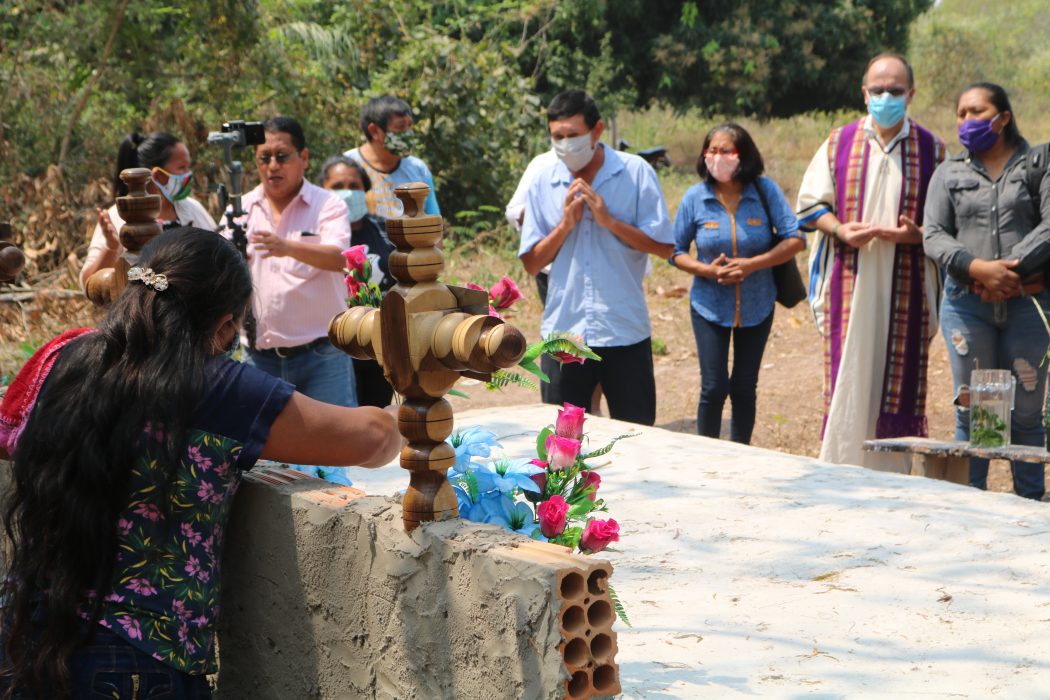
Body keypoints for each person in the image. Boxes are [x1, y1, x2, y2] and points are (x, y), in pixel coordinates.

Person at [0, 228, 401, 698]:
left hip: (24, 634)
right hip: (134, 664)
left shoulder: (65, 359)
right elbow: (375, 441)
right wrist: (408, 380)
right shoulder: (216, 388)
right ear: (225, 327)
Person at [795, 53, 946, 470]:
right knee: (850, 373)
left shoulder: (933, 149)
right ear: (864, 93)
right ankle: (840, 468)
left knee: (896, 377)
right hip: (851, 278)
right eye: (877, 90)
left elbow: (945, 222)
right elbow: (809, 206)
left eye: (895, 91)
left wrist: (916, 235)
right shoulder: (839, 142)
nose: (885, 97)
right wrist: (840, 230)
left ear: (910, 94)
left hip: (907, 281)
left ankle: (891, 474)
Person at [923, 82, 1050, 500]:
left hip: (1028, 302)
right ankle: (969, 505)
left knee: (1028, 413)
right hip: (966, 306)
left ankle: (1031, 511)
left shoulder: (1039, 165)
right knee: (975, 412)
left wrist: (1006, 273)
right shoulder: (948, 172)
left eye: (976, 111)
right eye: (960, 113)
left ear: (1004, 118)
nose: (965, 121)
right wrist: (978, 270)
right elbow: (934, 235)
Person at [518, 90, 673, 426]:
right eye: (557, 136)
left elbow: (663, 247)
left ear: (598, 130)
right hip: (565, 334)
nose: (565, 144)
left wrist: (609, 222)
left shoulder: (635, 172)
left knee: (636, 434)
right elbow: (531, 263)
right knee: (562, 446)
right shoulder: (544, 179)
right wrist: (565, 225)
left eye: (573, 135)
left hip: (623, 330)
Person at [671, 123, 804, 444]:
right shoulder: (695, 197)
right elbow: (674, 252)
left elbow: (795, 239)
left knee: (744, 386)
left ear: (743, 155)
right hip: (708, 304)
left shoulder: (764, 191)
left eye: (726, 151)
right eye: (712, 151)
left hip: (758, 304)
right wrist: (707, 271)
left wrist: (751, 265)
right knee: (713, 386)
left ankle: (742, 453)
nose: (718, 158)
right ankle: (708, 454)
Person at [225, 116, 357, 407]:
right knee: (267, 451)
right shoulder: (240, 208)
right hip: (259, 360)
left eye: (282, 156)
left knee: (336, 445)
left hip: (323, 357)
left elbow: (340, 259)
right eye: (264, 158)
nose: (273, 165)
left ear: (304, 158)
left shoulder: (328, 205)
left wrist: (287, 247)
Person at [80, 132, 216, 289]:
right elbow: (89, 283)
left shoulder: (192, 209)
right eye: (181, 168)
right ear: (156, 175)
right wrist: (111, 247)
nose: (188, 175)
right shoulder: (117, 218)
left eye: (188, 167)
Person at [321, 154, 396, 407]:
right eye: (337, 187)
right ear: (323, 191)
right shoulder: (315, 236)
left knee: (377, 414)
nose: (347, 193)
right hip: (331, 347)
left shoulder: (384, 230)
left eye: (354, 187)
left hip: (379, 345)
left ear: (365, 190)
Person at [344, 95, 440, 219]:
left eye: (409, 126)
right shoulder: (346, 167)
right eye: (400, 127)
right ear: (374, 131)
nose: (408, 133)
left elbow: (434, 224)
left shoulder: (418, 169)